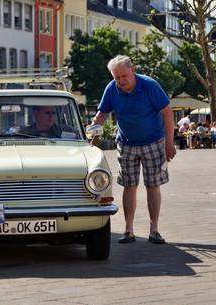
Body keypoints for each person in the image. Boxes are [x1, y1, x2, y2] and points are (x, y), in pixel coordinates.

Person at [90, 55, 176, 244]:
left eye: (124, 76)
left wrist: (169, 144)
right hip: (126, 143)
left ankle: (154, 230)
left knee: (152, 185)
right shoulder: (112, 89)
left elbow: (168, 113)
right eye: (116, 77)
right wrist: (93, 135)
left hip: (153, 141)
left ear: (133, 70)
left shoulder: (150, 86)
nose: (121, 81)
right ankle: (129, 230)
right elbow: (102, 114)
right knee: (129, 185)